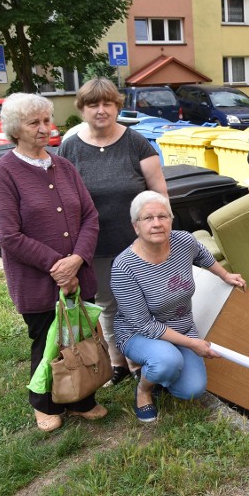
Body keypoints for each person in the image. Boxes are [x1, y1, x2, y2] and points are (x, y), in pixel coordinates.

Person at [0, 93, 106, 432]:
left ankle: (81, 397)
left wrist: (78, 259)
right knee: (47, 342)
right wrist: (59, 266)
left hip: (78, 273)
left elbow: (89, 216)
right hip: (38, 280)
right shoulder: (3, 172)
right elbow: (8, 235)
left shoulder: (64, 166)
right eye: (34, 123)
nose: (45, 128)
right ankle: (44, 403)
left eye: (46, 121)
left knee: (79, 337)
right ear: (15, 129)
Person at [59, 77, 168, 387]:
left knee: (146, 302)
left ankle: (145, 358)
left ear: (118, 106)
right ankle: (119, 362)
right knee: (108, 304)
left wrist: (162, 229)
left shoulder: (136, 142)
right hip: (97, 243)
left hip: (139, 243)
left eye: (108, 103)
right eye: (93, 104)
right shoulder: (71, 147)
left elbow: (158, 190)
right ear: (81, 109)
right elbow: (65, 200)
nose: (101, 110)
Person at [110, 191, 246, 422]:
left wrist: (225, 275)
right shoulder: (124, 268)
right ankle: (144, 389)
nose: (156, 224)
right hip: (138, 333)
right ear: (136, 226)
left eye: (163, 217)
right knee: (167, 361)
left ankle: (160, 370)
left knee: (191, 390)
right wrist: (193, 344)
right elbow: (144, 325)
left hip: (181, 327)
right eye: (148, 218)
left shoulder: (183, 241)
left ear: (171, 220)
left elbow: (202, 254)